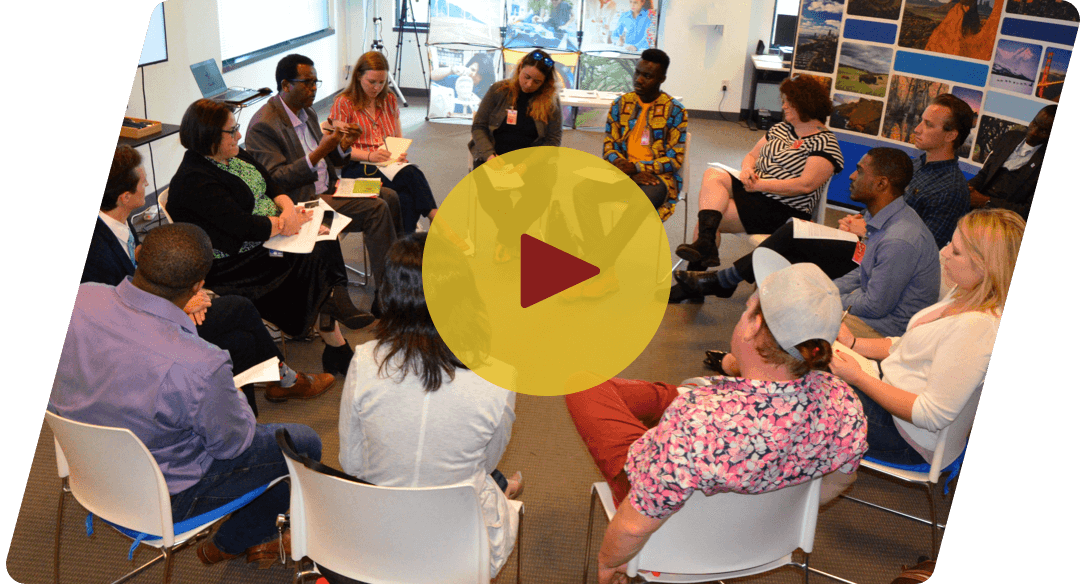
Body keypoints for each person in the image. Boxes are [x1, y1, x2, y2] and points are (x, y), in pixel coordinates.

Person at [566, 249, 867, 584]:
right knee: (667, 397)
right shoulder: (845, 402)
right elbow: (838, 482)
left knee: (582, 383)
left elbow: (635, 527)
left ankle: (656, 445)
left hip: (669, 511)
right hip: (762, 538)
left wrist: (610, 562)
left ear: (753, 326)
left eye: (747, 308)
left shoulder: (696, 421)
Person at [50, 223, 323, 568]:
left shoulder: (79, 296)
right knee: (302, 441)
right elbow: (233, 445)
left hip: (88, 472)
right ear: (198, 285)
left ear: (138, 256)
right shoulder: (200, 363)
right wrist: (228, 387)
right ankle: (232, 540)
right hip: (165, 500)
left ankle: (240, 536)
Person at [82, 146, 333, 412]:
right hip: (139, 336)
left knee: (241, 344)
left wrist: (183, 293)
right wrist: (178, 304)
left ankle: (258, 406)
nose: (147, 182)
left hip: (151, 308)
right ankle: (282, 383)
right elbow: (117, 314)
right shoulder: (96, 253)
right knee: (239, 309)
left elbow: (133, 271)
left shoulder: (115, 221)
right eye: (141, 180)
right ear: (124, 197)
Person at [338, 233, 522, 581]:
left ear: (390, 293)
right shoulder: (500, 374)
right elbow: (487, 460)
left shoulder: (364, 362)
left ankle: (504, 488)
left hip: (378, 536)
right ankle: (505, 489)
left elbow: (352, 463)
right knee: (481, 474)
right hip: (459, 541)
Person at [166, 99, 371, 377]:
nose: (239, 135)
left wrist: (289, 211)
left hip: (270, 234)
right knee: (314, 254)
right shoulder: (194, 179)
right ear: (209, 136)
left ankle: (334, 322)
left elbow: (273, 185)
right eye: (232, 130)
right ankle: (334, 320)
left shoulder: (233, 155)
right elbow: (241, 227)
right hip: (233, 261)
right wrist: (284, 223)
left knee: (322, 237)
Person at [674, 147, 941, 339]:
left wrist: (822, 297)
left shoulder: (899, 240)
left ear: (882, 183)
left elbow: (874, 306)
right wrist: (821, 291)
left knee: (784, 320)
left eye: (859, 171)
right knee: (785, 306)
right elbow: (861, 273)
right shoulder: (884, 219)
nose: (851, 176)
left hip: (881, 327)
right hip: (872, 309)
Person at [830, 208, 1023, 466]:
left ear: (985, 266)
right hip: (892, 395)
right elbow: (908, 347)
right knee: (815, 364)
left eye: (955, 252)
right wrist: (853, 344)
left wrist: (858, 377)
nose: (943, 254)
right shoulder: (967, 291)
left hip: (905, 436)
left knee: (807, 388)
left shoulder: (979, 328)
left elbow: (930, 414)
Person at [244, 53, 402, 293]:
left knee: (389, 195)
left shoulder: (307, 113)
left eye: (315, 82)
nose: (313, 89)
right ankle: (390, 295)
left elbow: (334, 159)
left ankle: (400, 271)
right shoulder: (264, 125)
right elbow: (276, 179)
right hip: (303, 199)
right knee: (377, 209)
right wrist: (320, 151)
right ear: (285, 85)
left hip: (331, 188)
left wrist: (345, 142)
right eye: (306, 83)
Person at [675, 73, 843, 270]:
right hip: (757, 191)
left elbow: (805, 185)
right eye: (784, 102)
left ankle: (695, 273)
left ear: (806, 104)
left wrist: (760, 185)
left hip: (782, 207)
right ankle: (703, 251)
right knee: (713, 175)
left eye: (789, 103)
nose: (783, 107)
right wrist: (747, 170)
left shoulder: (825, 142)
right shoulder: (782, 128)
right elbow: (752, 156)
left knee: (711, 219)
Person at [570, 48, 685, 297]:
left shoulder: (675, 111)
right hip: (623, 173)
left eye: (648, 76)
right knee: (581, 192)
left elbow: (675, 159)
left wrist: (640, 168)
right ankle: (606, 273)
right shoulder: (621, 104)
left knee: (638, 202)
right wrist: (630, 172)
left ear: (662, 78)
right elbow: (609, 148)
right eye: (638, 73)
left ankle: (593, 268)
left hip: (657, 179)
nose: (639, 80)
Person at [840, 94, 972, 249]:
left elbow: (923, 248)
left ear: (950, 135)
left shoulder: (952, 190)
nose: (917, 129)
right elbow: (879, 206)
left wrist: (868, 232)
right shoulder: (912, 165)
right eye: (921, 121)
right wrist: (853, 222)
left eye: (928, 125)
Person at [470, 48, 563, 263]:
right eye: (526, 77)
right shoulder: (498, 91)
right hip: (495, 158)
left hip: (530, 163)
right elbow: (479, 126)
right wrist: (490, 157)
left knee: (541, 193)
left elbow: (552, 142)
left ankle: (506, 239)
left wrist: (525, 166)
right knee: (488, 191)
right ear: (519, 69)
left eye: (537, 82)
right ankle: (513, 238)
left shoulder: (551, 101)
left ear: (546, 83)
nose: (529, 84)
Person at [333, 51, 439, 234]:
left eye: (382, 82)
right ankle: (435, 217)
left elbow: (397, 136)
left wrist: (399, 153)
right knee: (411, 174)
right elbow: (338, 149)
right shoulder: (344, 103)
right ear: (358, 76)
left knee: (405, 198)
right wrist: (369, 155)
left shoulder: (389, 99)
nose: (377, 87)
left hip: (388, 167)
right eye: (372, 82)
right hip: (356, 172)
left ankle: (402, 247)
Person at [968, 104, 1056, 221]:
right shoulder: (1009, 138)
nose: (1034, 132)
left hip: (1004, 221)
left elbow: (1027, 211)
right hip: (973, 209)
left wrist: (985, 202)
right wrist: (968, 188)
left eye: (1043, 130)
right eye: (1034, 123)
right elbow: (984, 174)